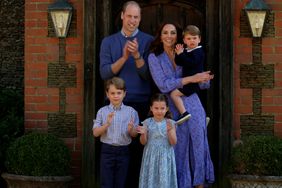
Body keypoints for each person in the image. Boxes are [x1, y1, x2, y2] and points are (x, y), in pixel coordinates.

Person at [148, 23, 215, 188]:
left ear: (178, 36)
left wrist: (204, 80)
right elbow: (163, 85)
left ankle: (200, 183)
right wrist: (191, 79)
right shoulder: (154, 57)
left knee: (199, 145)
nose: (169, 36)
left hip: (193, 102)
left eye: (172, 33)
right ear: (160, 35)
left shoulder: (187, 52)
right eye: (165, 32)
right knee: (179, 148)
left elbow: (200, 81)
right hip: (172, 106)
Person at [99, 1, 154, 187]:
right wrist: (124, 57)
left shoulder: (149, 41)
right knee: (113, 152)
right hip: (114, 104)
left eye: (136, 17)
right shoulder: (109, 41)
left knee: (136, 152)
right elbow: (105, 73)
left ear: (140, 19)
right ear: (122, 16)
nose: (132, 20)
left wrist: (137, 55)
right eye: (129, 16)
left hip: (140, 102)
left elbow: (148, 76)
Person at [92, 77, 139, 188]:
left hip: (124, 151)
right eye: (112, 93)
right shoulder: (102, 111)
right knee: (106, 183)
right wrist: (107, 124)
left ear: (124, 94)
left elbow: (134, 135)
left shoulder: (131, 112)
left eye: (119, 93)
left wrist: (131, 129)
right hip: (107, 151)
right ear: (107, 94)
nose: (116, 96)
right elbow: (95, 133)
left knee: (121, 183)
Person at [137, 93, 178, 188]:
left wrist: (170, 131)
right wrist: (143, 133)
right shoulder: (147, 122)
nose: (159, 111)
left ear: (167, 108)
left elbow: (173, 142)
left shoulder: (171, 123)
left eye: (162, 108)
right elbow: (143, 142)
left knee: (164, 182)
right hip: (151, 156)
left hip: (165, 156)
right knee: (151, 181)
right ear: (151, 108)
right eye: (156, 108)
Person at [170, 25, 205, 125]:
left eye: (194, 38)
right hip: (188, 81)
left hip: (193, 83)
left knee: (174, 94)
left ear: (199, 39)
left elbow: (191, 63)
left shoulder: (199, 51)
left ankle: (184, 113)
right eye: (189, 38)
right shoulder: (187, 50)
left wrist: (181, 54)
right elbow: (180, 62)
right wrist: (177, 54)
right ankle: (200, 119)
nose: (192, 41)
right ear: (184, 41)